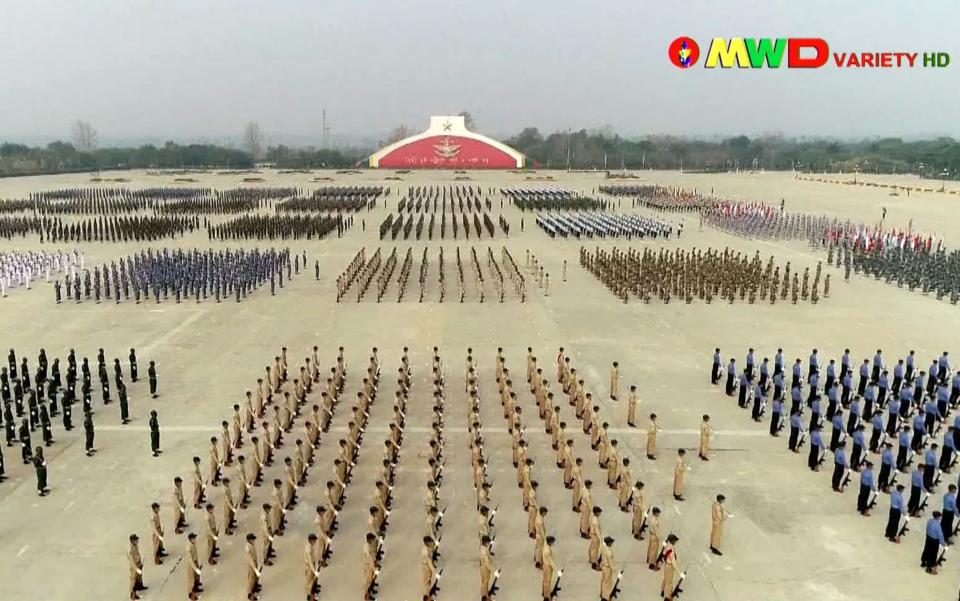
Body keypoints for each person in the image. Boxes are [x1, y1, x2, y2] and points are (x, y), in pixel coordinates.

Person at [661, 533, 680, 600]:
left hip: (666, 565)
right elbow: (674, 563)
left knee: (665, 578)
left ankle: (663, 591)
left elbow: (663, 554)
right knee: (669, 582)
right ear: (673, 541)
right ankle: (667, 597)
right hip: (670, 566)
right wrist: (679, 573)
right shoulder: (671, 550)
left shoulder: (667, 546)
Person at [128, 534, 146, 600]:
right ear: (132, 541)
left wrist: (140, 563)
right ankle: (133, 594)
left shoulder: (135, 545)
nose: (137, 541)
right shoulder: (130, 549)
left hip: (138, 563)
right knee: (134, 580)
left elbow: (137, 554)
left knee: (139, 577)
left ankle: (140, 586)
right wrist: (136, 569)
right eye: (136, 540)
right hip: (134, 566)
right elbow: (132, 561)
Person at [186, 532, 202, 600]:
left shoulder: (193, 544)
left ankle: (196, 589)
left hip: (195, 562)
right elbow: (190, 560)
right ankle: (192, 595)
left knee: (197, 578)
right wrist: (196, 569)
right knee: (192, 580)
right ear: (190, 539)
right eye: (194, 538)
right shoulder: (188, 547)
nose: (195, 539)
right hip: (192, 565)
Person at [245, 533, 261, 600]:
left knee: (255, 577)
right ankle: (250, 594)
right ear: (249, 540)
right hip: (251, 565)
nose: (254, 540)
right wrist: (255, 569)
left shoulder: (251, 545)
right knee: (251, 579)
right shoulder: (247, 548)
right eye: (253, 539)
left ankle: (255, 586)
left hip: (254, 562)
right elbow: (250, 560)